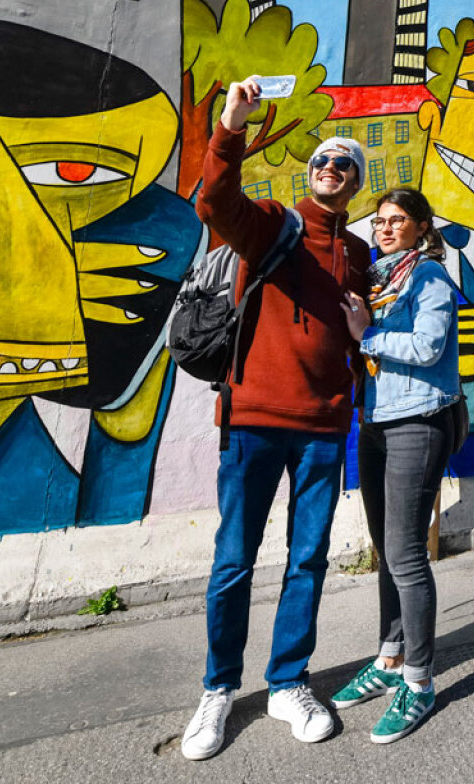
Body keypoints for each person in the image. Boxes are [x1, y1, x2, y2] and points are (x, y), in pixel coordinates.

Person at [180, 77, 371, 762]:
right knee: (234, 560)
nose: (329, 170)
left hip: (324, 428)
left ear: (355, 185)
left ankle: (288, 681)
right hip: (255, 419)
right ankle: (219, 689)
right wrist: (230, 126)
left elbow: (362, 334)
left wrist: (365, 327)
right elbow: (213, 202)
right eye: (322, 161)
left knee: (308, 559)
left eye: (343, 165)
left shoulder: (358, 255)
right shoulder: (270, 225)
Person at [330, 187, 462, 744]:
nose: (385, 228)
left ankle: (420, 680)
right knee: (387, 549)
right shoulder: (382, 280)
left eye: (398, 220)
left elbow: (430, 346)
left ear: (421, 227)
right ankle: (388, 660)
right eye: (380, 220)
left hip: (419, 420)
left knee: (407, 555)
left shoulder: (428, 278)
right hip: (378, 420)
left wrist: (369, 336)